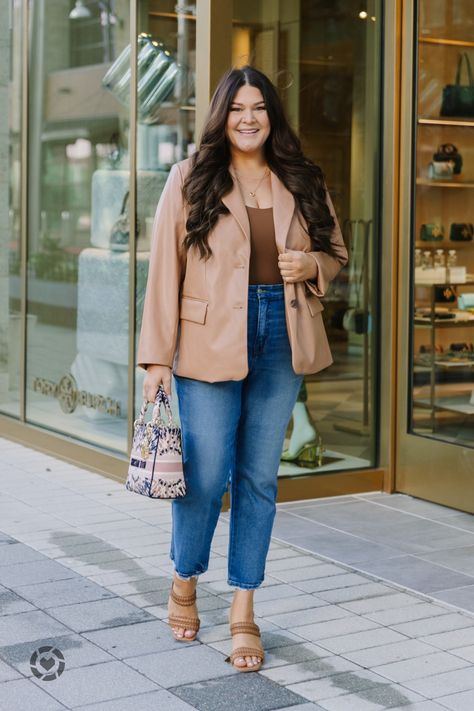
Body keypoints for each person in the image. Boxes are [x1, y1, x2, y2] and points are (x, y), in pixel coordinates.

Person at [137, 65, 348, 673]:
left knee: (258, 477)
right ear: (221, 117)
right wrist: (155, 360)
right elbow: (163, 276)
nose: (248, 118)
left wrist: (309, 266)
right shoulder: (190, 178)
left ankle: (243, 609)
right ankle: (184, 578)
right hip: (207, 339)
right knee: (205, 475)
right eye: (237, 109)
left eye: (258, 107)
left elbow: (334, 253)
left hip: (281, 336)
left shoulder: (301, 178)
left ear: (272, 116)